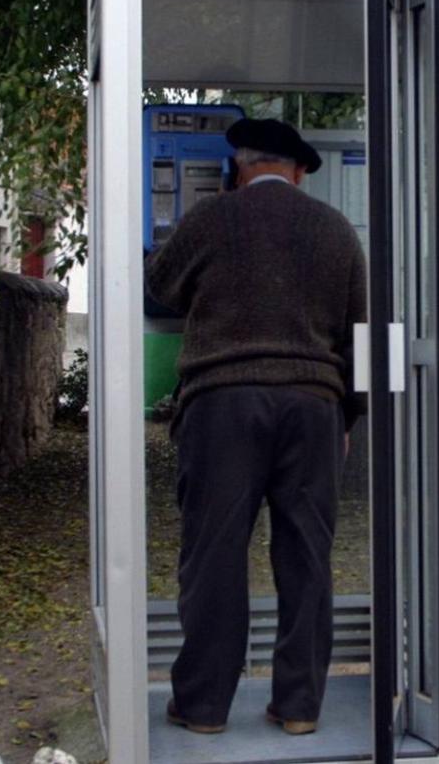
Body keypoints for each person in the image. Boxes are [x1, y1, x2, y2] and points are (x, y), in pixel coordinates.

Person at [145, 118, 367, 737]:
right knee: (306, 559)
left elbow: (158, 283)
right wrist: (346, 414)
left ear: (239, 168)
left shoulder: (212, 219)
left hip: (223, 405)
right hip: (312, 407)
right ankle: (298, 706)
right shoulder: (337, 231)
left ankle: (203, 705)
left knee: (214, 554)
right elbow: (360, 334)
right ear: (297, 171)